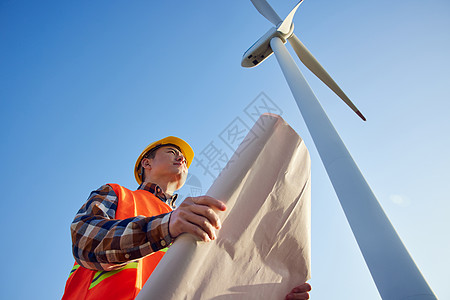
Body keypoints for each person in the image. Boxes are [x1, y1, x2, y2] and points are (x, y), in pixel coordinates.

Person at [62, 136, 311, 299]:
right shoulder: (118, 194)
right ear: (146, 163)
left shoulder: (191, 222)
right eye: (172, 152)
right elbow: (85, 241)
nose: (181, 158)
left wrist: (270, 293)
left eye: (182, 158)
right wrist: (166, 227)